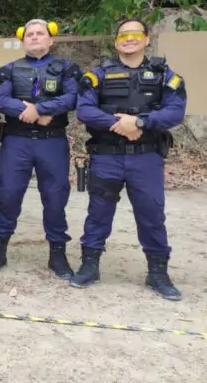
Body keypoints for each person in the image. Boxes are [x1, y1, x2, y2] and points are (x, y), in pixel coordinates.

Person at [71, 17, 186, 301]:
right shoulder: (97, 75)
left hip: (146, 158)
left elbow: (175, 112)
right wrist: (118, 124)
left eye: (136, 34)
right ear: (116, 42)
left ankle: (158, 272)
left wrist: (140, 123)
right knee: (98, 213)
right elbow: (84, 110)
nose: (130, 38)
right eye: (123, 35)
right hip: (106, 156)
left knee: (151, 214)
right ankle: (89, 265)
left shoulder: (164, 75)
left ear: (147, 40)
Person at [0, 19, 80, 279]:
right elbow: (0, 99)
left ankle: (57, 256)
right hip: (17, 141)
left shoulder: (67, 69)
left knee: (56, 197)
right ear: (22, 40)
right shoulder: (8, 70)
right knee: (9, 194)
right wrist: (32, 112)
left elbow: (72, 98)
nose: (35, 37)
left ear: (51, 39)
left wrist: (42, 108)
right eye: (30, 34)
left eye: (40, 33)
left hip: (52, 141)